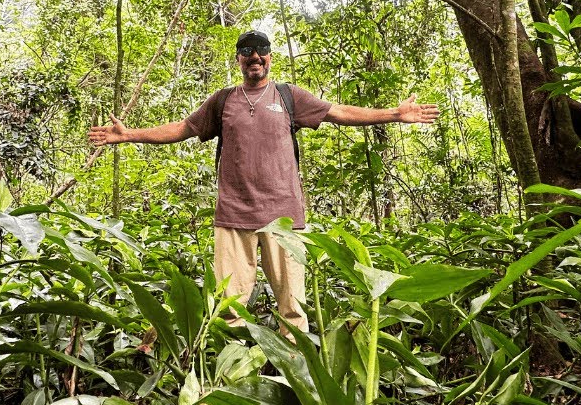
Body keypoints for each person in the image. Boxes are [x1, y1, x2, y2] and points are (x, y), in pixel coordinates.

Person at [87, 29, 439, 334]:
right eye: (246, 52)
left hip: (283, 218)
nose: (254, 57)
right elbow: (183, 129)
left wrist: (394, 114)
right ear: (239, 60)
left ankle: (295, 378)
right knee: (230, 308)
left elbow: (340, 112)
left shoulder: (289, 97)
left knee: (293, 307)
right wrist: (129, 134)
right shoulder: (222, 100)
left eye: (260, 51)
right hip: (234, 217)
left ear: (270, 58)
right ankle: (232, 381)